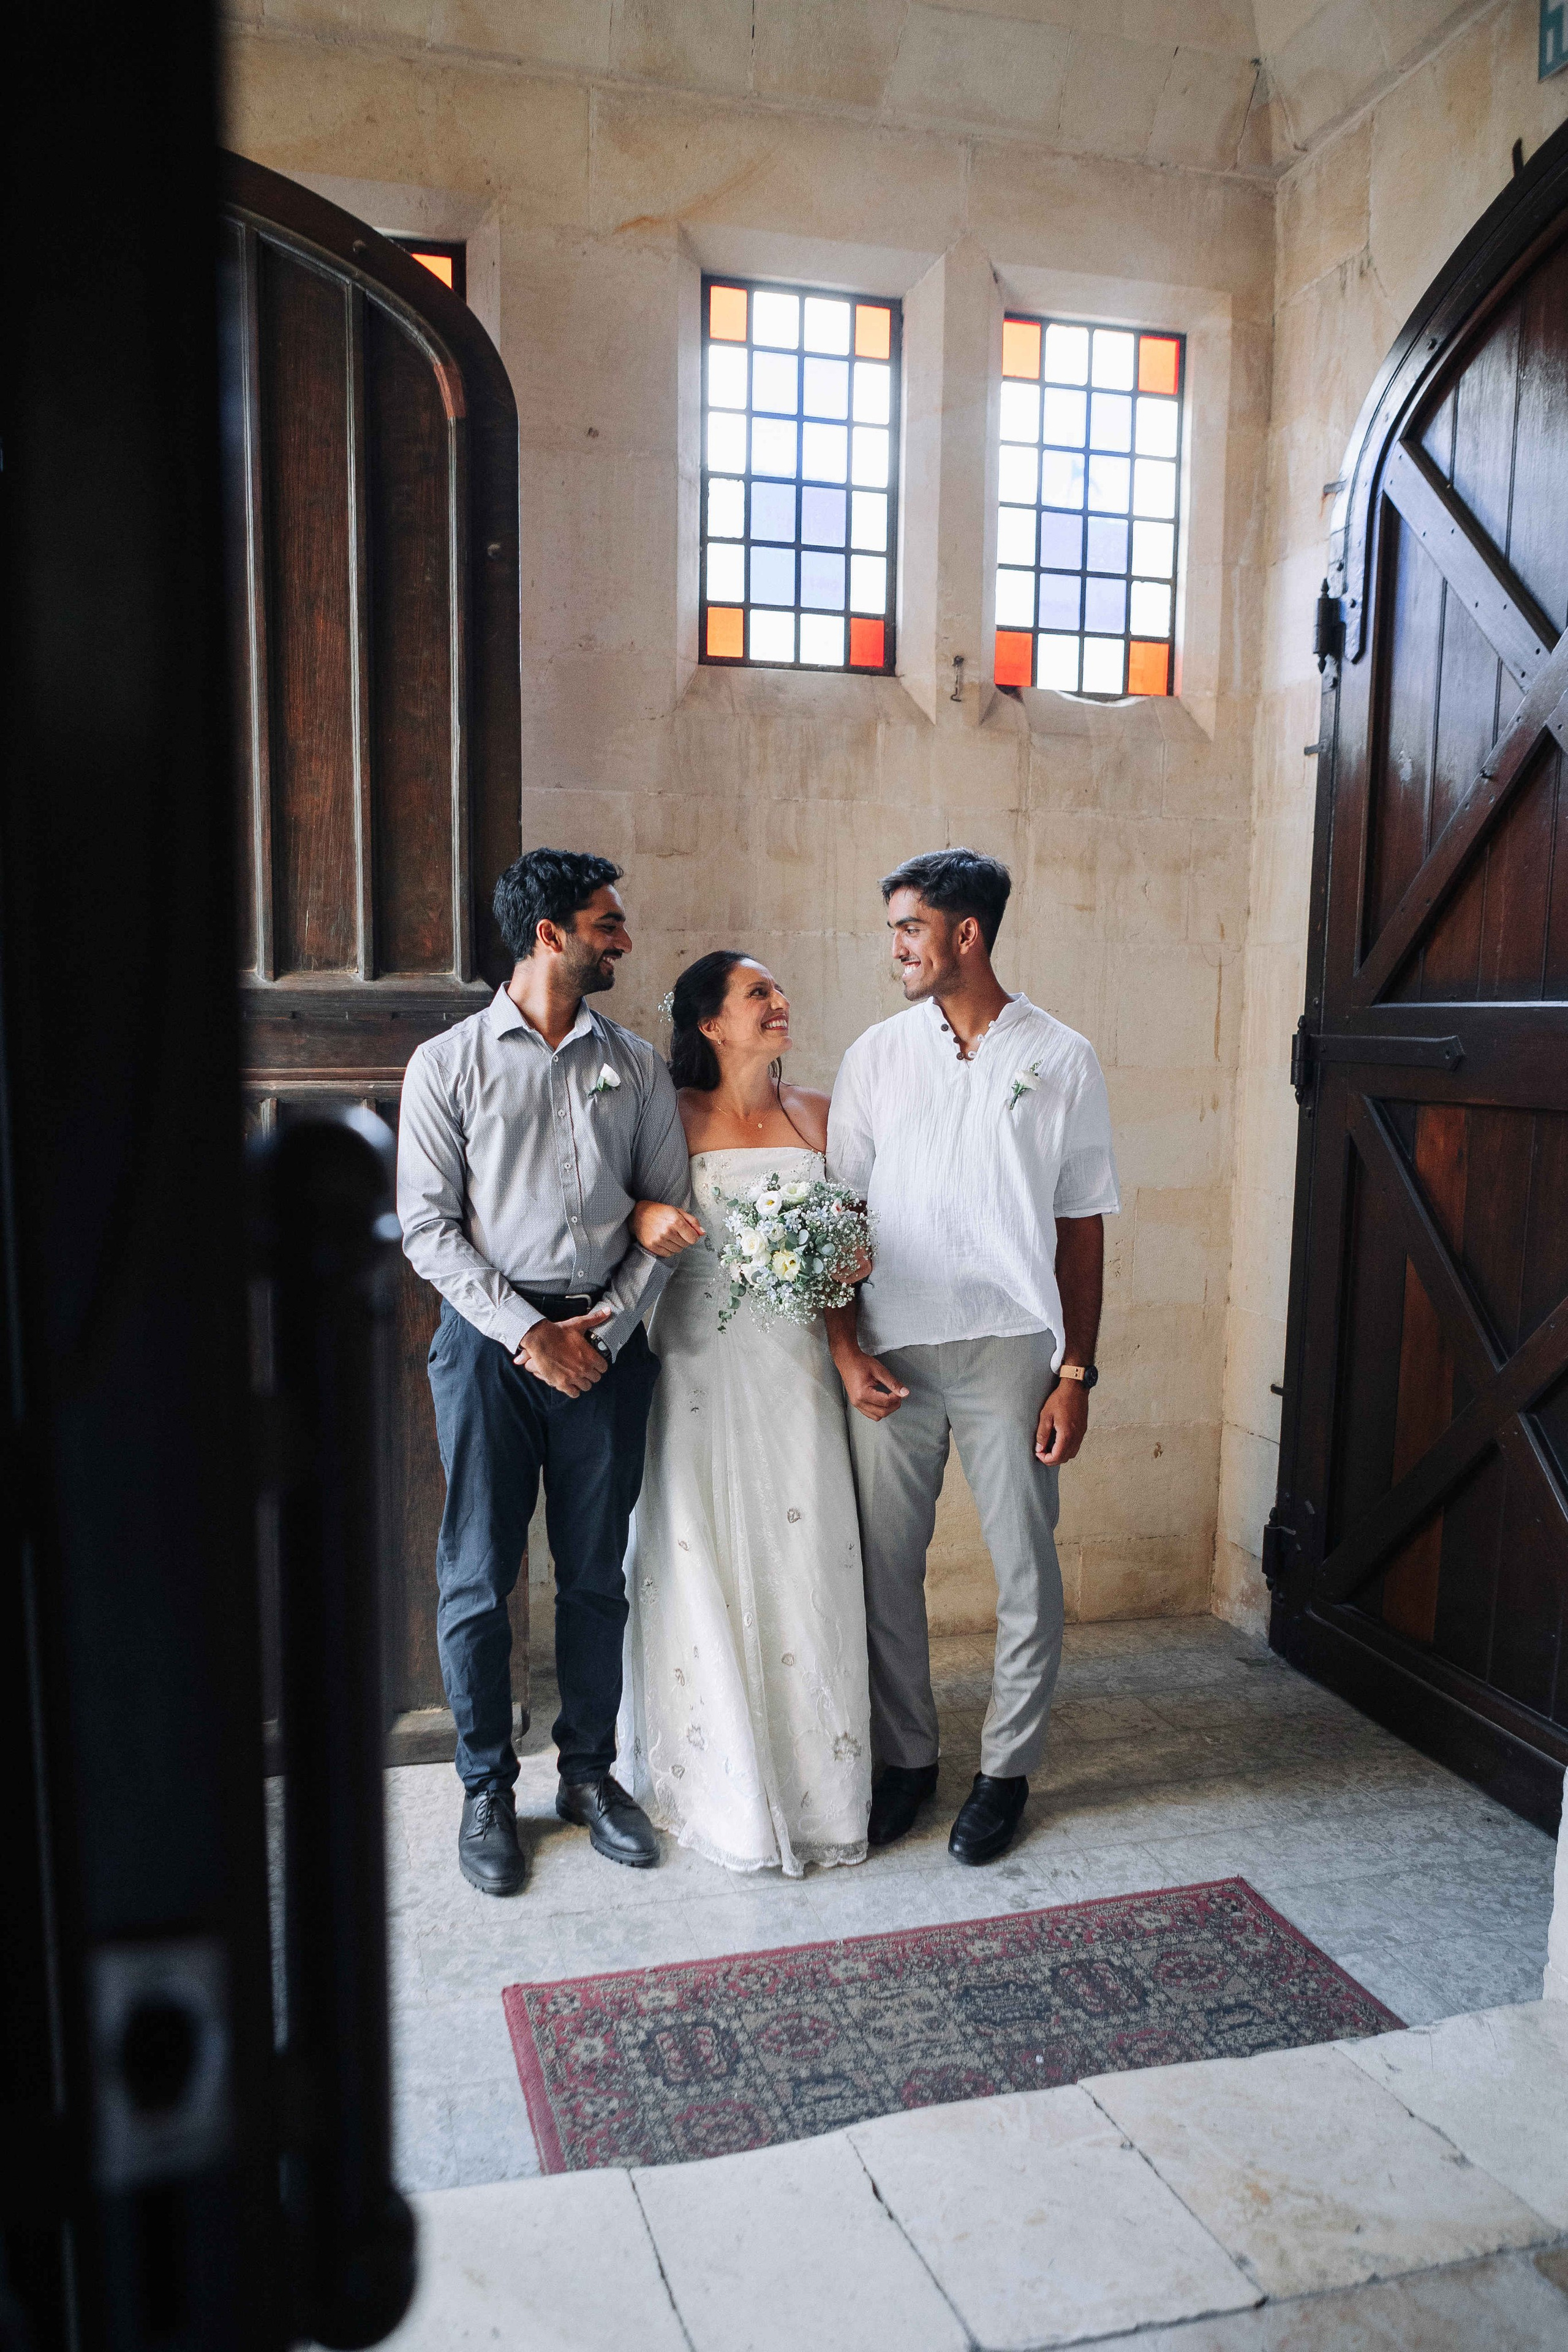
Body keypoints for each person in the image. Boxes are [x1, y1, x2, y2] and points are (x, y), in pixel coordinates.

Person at [396, 849, 693, 1896]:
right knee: (478, 1574)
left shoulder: (638, 1065)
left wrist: (604, 1331)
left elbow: (667, 1214)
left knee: (595, 1573)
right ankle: (486, 1787)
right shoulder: (448, 1065)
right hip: (488, 1347)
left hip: (608, 1342)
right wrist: (530, 1335)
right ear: (548, 935)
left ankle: (587, 1775)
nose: (622, 938)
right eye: (606, 922)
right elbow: (429, 1234)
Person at [826, 848, 1118, 1867]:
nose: (897, 947)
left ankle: (1006, 1773)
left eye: (911, 927)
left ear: (966, 934)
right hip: (893, 1347)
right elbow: (844, 1214)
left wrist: (1076, 1369)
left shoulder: (1064, 1055)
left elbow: (1081, 1223)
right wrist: (844, 1344)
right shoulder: (873, 1055)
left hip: (1010, 1345)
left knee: (1027, 1569)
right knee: (883, 1568)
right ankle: (907, 1760)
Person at [615, 951, 872, 1877]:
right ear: (712, 1024)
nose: (780, 999)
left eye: (779, 985)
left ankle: (816, 1782)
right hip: (696, 1361)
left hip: (796, 1367)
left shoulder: (819, 1112)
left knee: (804, 1557)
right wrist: (646, 1214)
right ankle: (715, 1778)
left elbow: (847, 1245)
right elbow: (621, 1219)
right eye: (759, 992)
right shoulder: (667, 1117)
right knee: (698, 1551)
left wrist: (847, 1335)